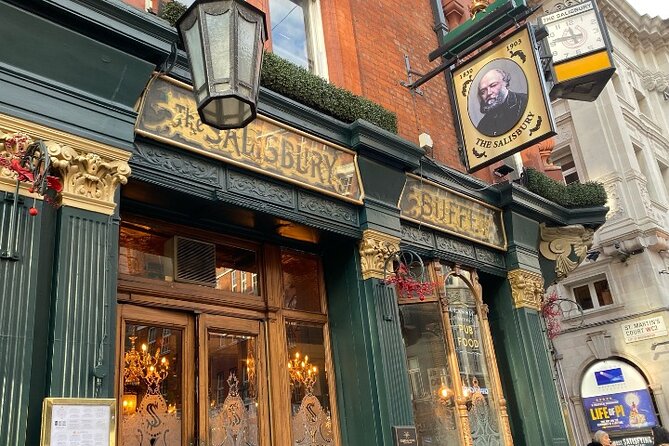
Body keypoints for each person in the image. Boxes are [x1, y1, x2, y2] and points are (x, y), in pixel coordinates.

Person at [475, 68, 528, 137]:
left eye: (493, 85)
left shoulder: (525, 101)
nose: (488, 93)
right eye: (483, 92)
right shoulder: (483, 125)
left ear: (505, 83)